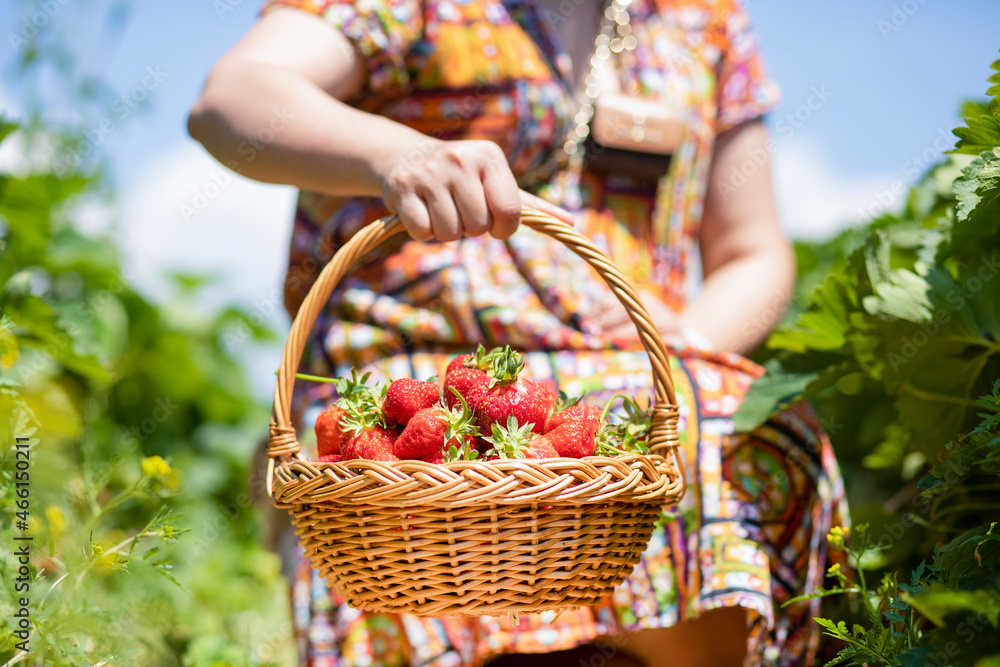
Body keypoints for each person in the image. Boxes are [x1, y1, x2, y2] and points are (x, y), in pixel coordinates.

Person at [188, 0, 847, 664]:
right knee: (415, 473)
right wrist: (396, 153)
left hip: (623, 380)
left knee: (747, 425)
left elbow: (754, 252)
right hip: (417, 375)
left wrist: (689, 337)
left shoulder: (705, 19)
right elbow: (232, 101)